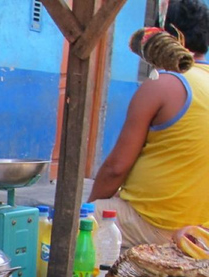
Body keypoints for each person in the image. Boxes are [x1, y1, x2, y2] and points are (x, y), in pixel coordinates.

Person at [88, 0, 209, 248]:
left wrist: (91, 208)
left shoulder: (161, 84)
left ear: (169, 38)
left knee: (67, 224)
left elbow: (116, 167)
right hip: (201, 232)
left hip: (156, 225)